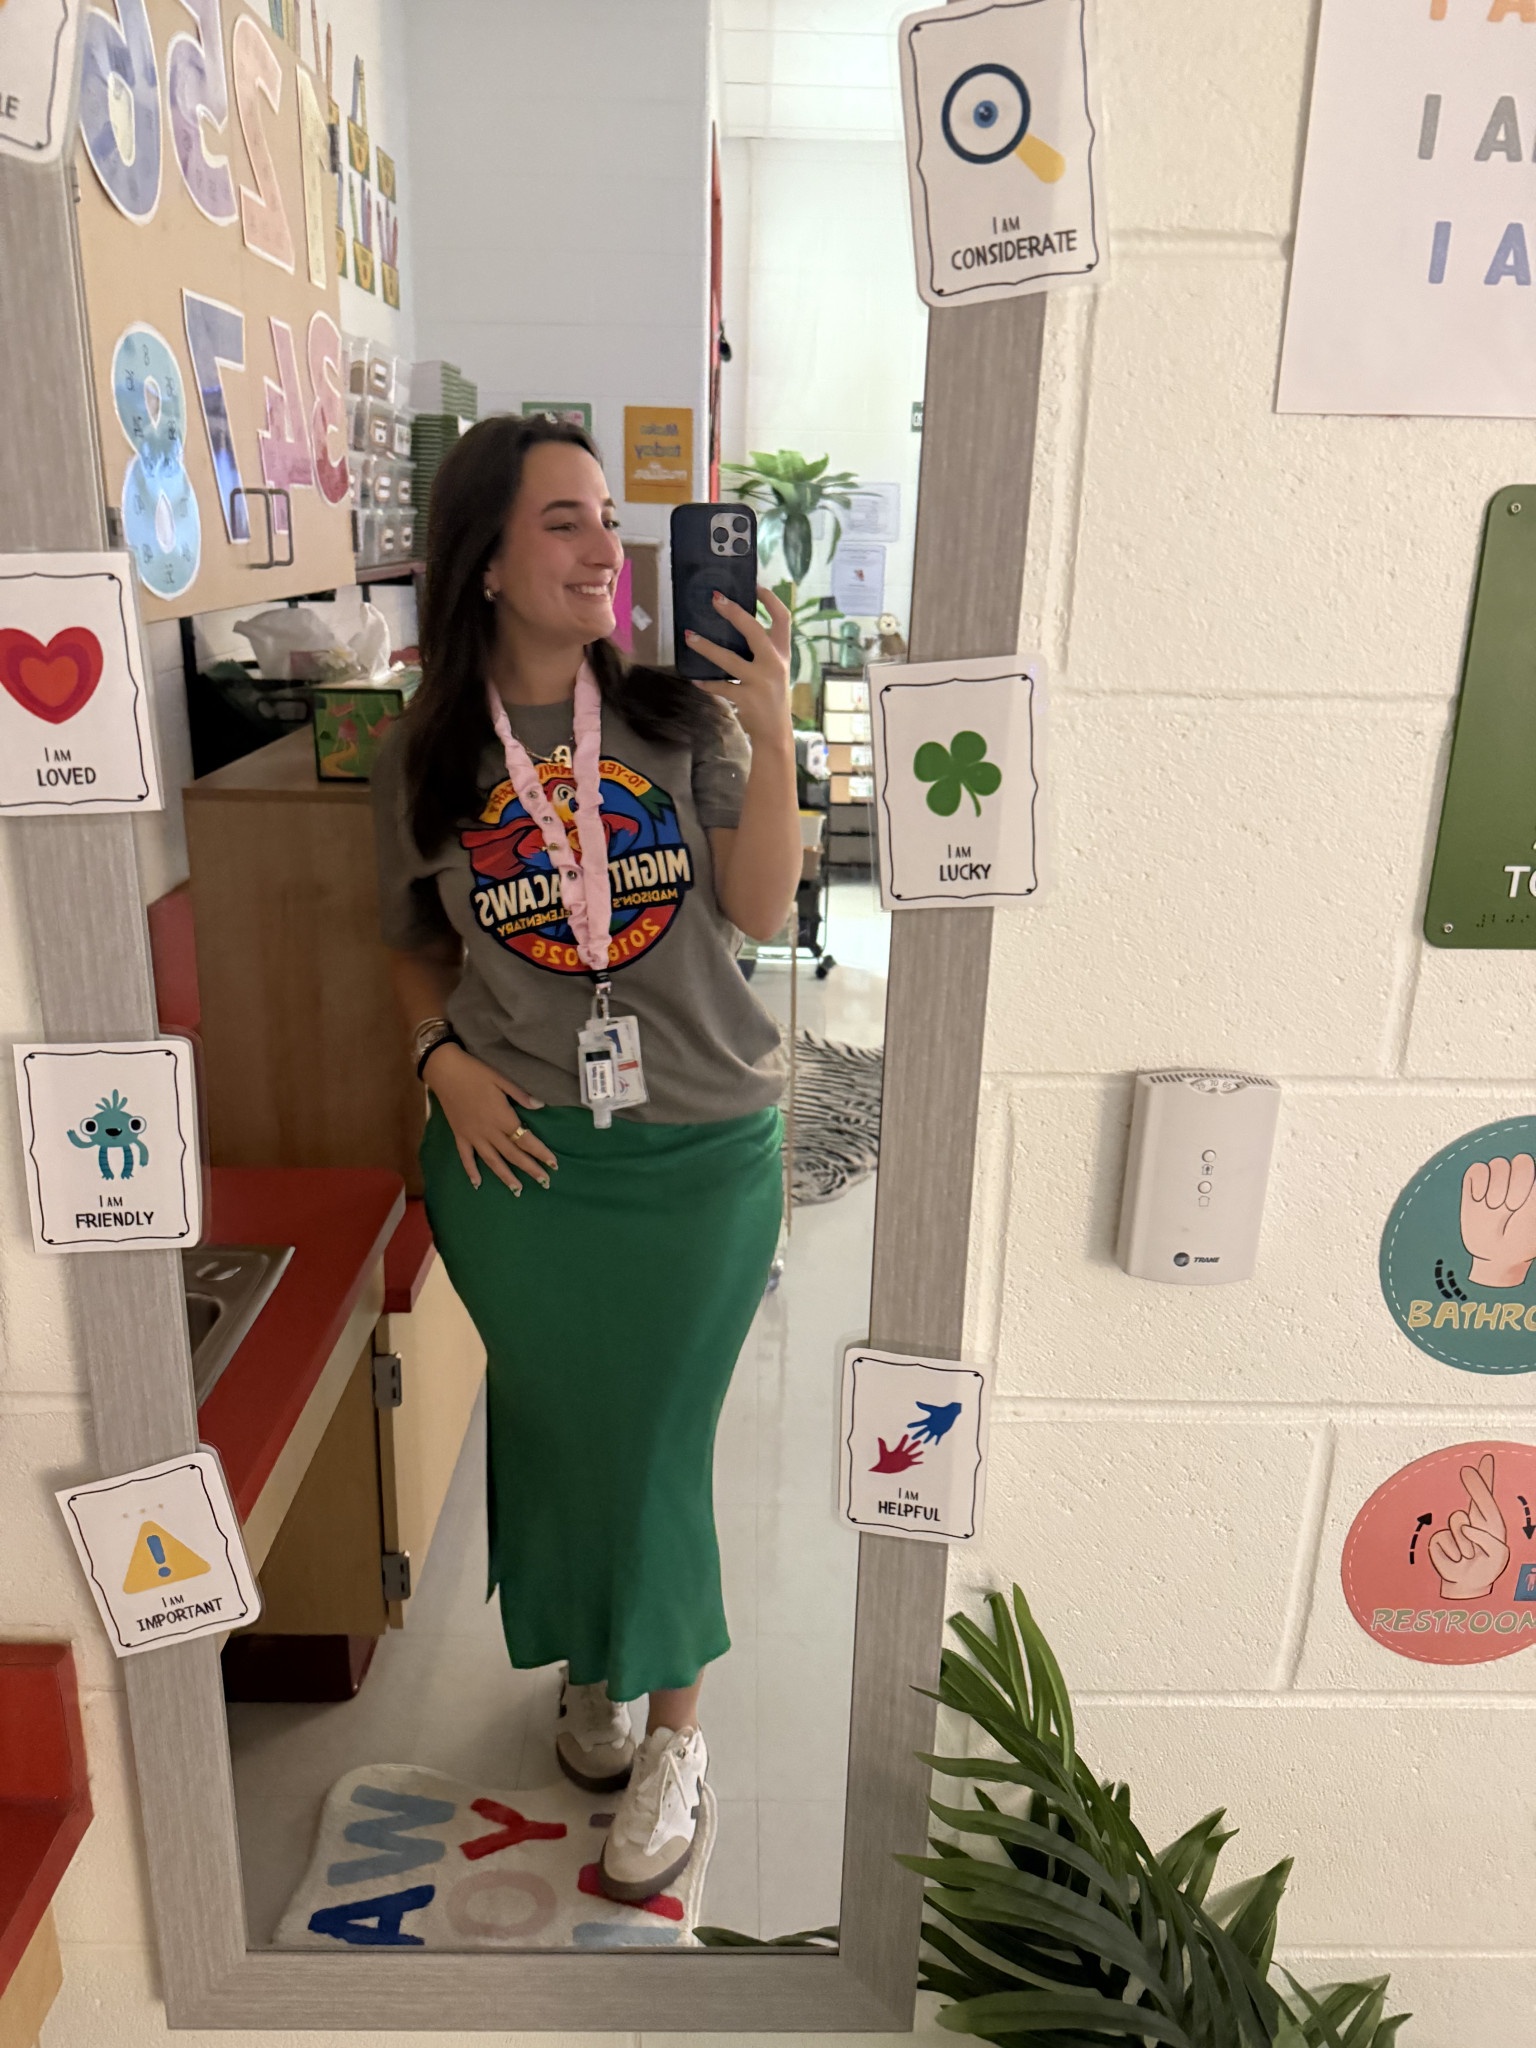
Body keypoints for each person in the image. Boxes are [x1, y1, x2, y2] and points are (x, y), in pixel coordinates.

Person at [371, 413, 799, 1903]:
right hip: (520, 1165)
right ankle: (596, 1666)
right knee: (566, 1425)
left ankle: (675, 1732)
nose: (604, 547)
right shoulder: (426, 754)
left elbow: (756, 906)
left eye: (609, 519)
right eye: (564, 519)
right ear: (486, 561)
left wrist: (776, 727)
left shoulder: (678, 720)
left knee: (660, 1442)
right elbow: (413, 949)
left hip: (699, 1150)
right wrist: (441, 1064)